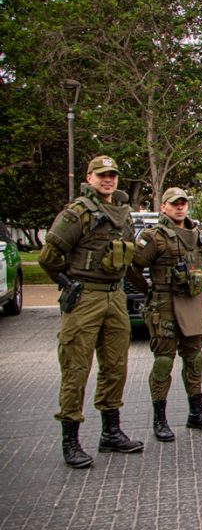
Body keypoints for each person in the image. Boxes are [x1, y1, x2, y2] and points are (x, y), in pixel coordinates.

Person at [38, 155, 143, 468]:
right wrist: (68, 283)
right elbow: (48, 256)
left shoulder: (123, 213)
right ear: (90, 177)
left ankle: (111, 433)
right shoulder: (78, 212)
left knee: (115, 367)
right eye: (102, 175)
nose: (108, 180)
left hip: (115, 296)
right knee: (76, 369)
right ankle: (70, 440)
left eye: (112, 175)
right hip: (85, 297)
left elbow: (125, 256)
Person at [129, 187, 202, 441]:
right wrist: (149, 290)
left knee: (194, 358)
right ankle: (160, 418)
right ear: (164, 207)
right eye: (174, 203)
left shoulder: (196, 235)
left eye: (183, 203)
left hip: (192, 302)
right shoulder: (154, 236)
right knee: (164, 360)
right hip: (165, 304)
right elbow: (133, 267)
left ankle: (196, 413)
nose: (180, 207)